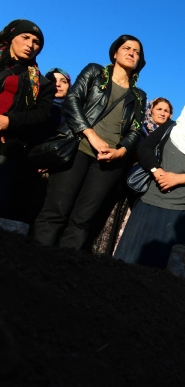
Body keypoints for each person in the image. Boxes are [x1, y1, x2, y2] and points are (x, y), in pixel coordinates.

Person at [32, 35, 147, 249]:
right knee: (56, 211)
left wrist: (121, 152)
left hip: (109, 162)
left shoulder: (139, 95)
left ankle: (63, 270)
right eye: (127, 48)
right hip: (77, 149)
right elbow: (72, 100)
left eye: (137, 52)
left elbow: (135, 129)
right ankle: (37, 262)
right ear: (115, 53)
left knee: (83, 220)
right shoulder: (95, 72)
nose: (132, 53)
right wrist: (91, 135)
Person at [114, 92, 185, 268]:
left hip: (183, 214)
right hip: (149, 205)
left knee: (163, 274)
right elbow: (145, 149)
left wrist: (179, 178)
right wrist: (156, 171)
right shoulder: (170, 128)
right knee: (127, 262)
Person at [90, 97, 173, 255]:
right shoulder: (139, 129)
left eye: (166, 111)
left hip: (144, 187)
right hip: (123, 179)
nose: (163, 113)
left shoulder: (170, 137)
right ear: (151, 110)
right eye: (159, 109)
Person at [0, 20, 53, 222]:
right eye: (25, 37)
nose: (31, 44)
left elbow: (41, 115)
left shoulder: (40, 82)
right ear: (11, 38)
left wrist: (8, 122)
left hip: (7, 149)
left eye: (36, 41)